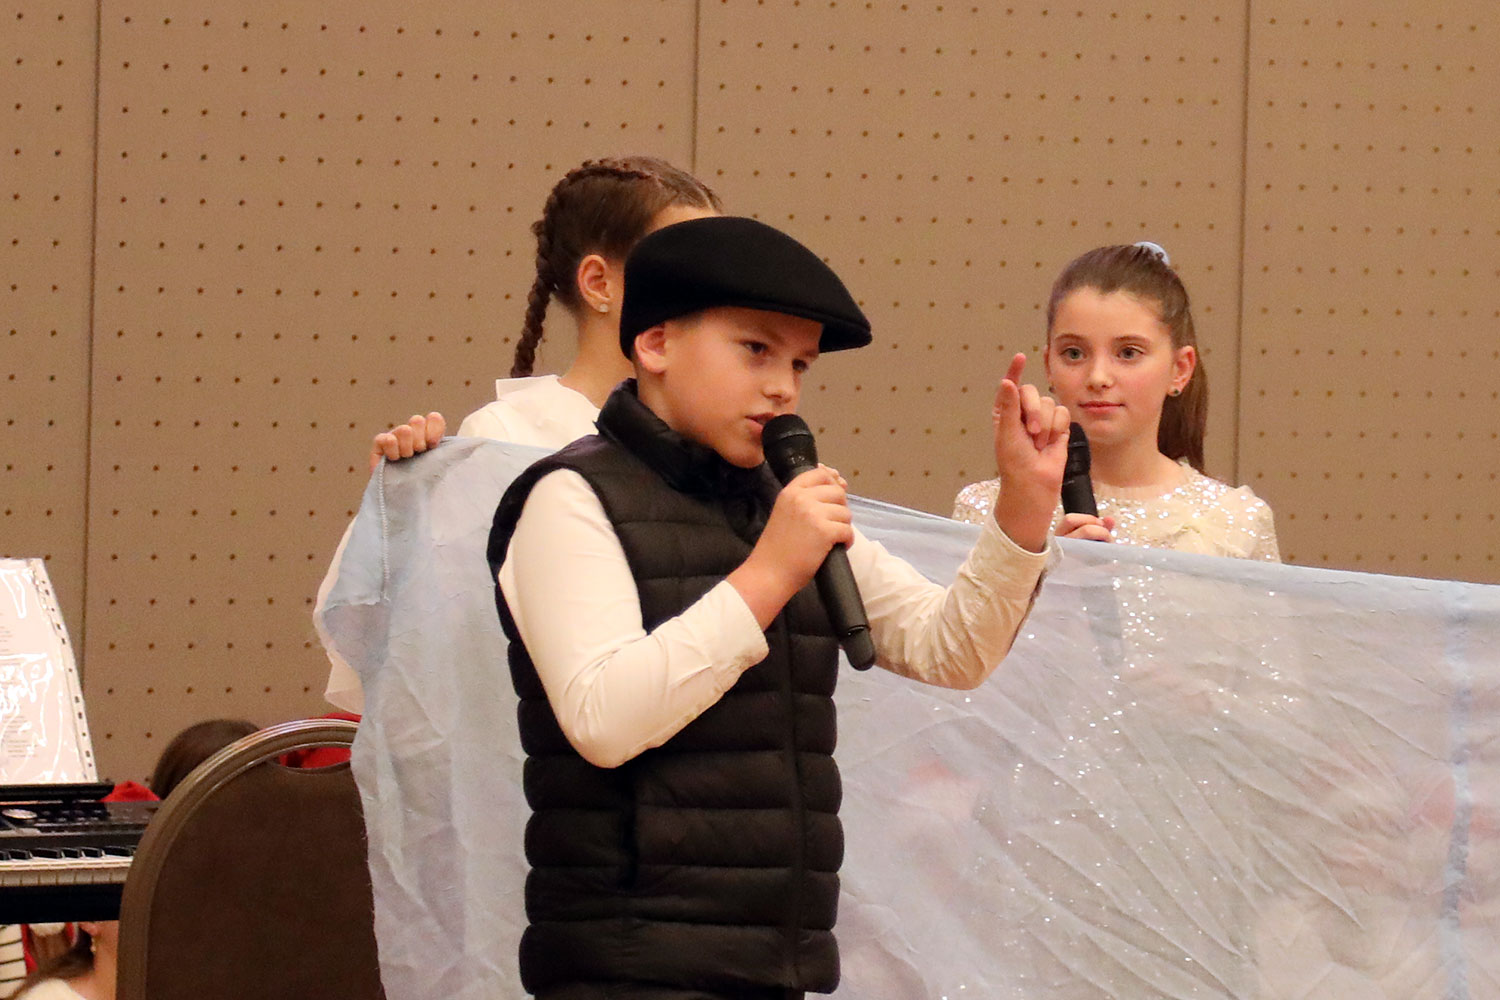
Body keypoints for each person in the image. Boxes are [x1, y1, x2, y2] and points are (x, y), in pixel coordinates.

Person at [487, 215, 1069, 998]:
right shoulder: (569, 497)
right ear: (654, 345)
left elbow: (949, 651)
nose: (782, 387)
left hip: (774, 962)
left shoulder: (784, 505)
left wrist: (1023, 507)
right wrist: (768, 573)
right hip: (626, 969)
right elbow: (604, 719)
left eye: (798, 364)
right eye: (755, 350)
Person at [319, 156, 722, 713]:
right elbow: (424, 648)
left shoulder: (729, 440)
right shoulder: (507, 437)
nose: (715, 290)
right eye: (687, 266)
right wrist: (400, 520)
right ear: (599, 282)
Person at [953, 242, 1280, 561]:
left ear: (1180, 370)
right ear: (1049, 365)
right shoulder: (990, 510)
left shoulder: (1237, 523)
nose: (1098, 377)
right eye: (1074, 354)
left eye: (1128, 353)